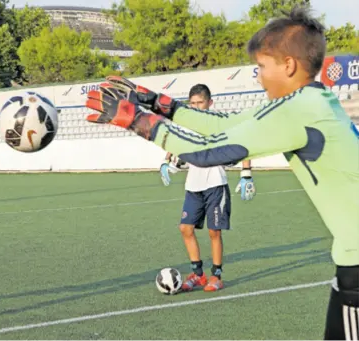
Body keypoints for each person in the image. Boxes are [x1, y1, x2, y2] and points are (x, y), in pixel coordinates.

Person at [85, 6, 358, 340]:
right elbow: (224, 125)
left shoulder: (299, 109)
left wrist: (137, 119)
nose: (257, 76)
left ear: (289, 65)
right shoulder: (310, 101)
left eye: (261, 67)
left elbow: (208, 152)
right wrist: (157, 103)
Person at [160, 83, 255, 292]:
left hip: (215, 184)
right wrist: (167, 164)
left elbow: (245, 145)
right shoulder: (186, 127)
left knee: (214, 232)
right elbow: (174, 148)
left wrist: (246, 174)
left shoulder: (220, 125)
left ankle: (217, 275)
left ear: (209, 103)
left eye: (200, 102)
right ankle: (198, 274)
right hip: (193, 185)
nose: (195, 106)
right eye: (192, 103)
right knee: (185, 228)